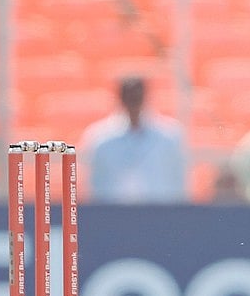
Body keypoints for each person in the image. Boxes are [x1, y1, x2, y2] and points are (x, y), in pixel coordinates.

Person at [80, 75, 188, 204]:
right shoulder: (100, 137)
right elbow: (94, 183)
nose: (134, 104)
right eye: (130, 99)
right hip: (113, 216)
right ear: (121, 99)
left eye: (137, 98)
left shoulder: (169, 135)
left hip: (159, 214)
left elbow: (177, 180)